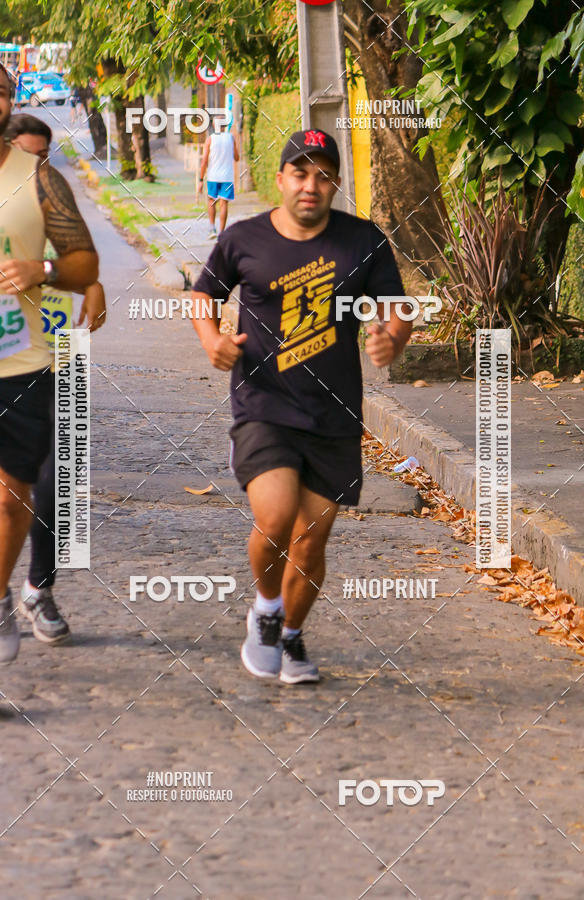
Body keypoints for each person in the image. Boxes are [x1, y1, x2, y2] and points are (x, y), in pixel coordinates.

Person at [191, 129, 412, 684]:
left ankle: (290, 635)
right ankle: (266, 608)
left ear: (335, 182)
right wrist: (212, 338)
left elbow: (397, 305)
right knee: (276, 516)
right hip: (263, 402)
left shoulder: (363, 240)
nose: (310, 185)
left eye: (323, 175)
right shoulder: (244, 238)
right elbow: (204, 294)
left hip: (334, 412)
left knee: (311, 539)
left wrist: (393, 336)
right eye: (300, 172)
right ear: (282, 178)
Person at [0, 58, 98, 699]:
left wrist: (44, 271)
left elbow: (84, 262)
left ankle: (2, 593)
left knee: (11, 499)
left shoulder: (41, 179)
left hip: (24, 362)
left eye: (0, 91)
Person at [198, 122, 239, 239]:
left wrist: (201, 179)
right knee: (224, 203)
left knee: (211, 201)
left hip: (213, 176)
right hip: (227, 176)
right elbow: (237, 158)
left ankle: (212, 229)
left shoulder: (210, 139)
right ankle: (222, 232)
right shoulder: (231, 138)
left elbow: (204, 161)